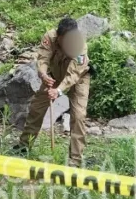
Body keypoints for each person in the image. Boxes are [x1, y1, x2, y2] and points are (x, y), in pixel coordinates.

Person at [14, 17, 93, 166]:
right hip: (54, 75)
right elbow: (43, 60)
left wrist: (58, 91)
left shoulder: (80, 45)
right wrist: (43, 75)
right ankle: (23, 147)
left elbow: (73, 75)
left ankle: (75, 159)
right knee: (36, 107)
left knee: (79, 115)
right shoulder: (50, 37)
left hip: (78, 78)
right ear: (59, 35)